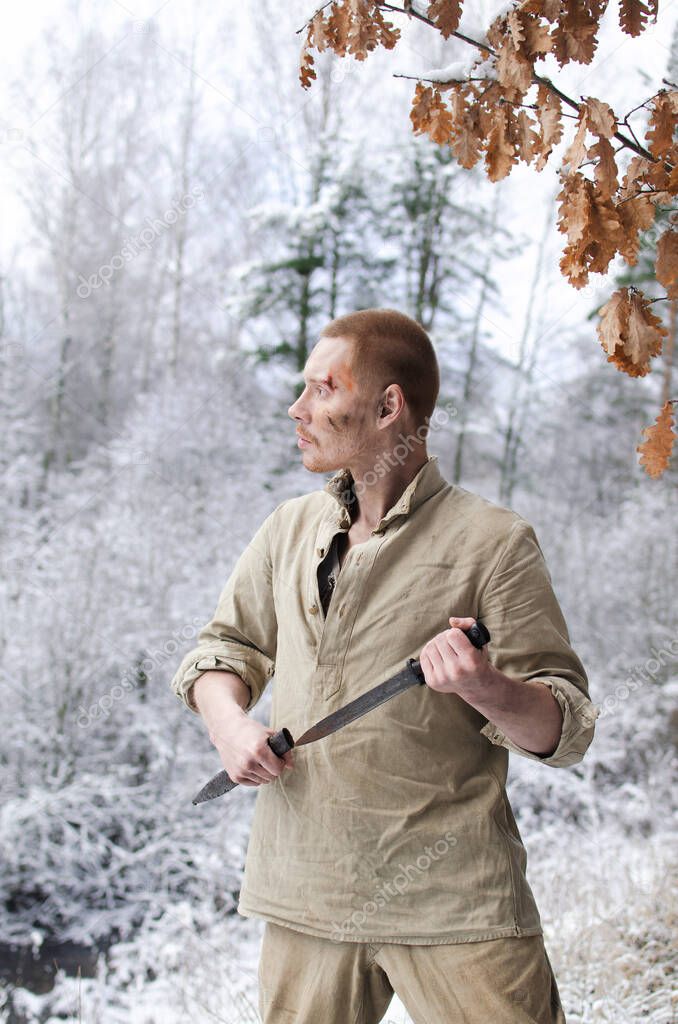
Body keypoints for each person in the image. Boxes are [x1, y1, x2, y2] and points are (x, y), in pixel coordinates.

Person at [170, 308, 599, 1024]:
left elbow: (567, 728)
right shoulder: (288, 528)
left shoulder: (494, 543)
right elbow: (222, 649)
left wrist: (483, 685)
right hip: (306, 890)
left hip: (455, 900)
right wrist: (229, 726)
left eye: (321, 389)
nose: (297, 408)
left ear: (388, 406)